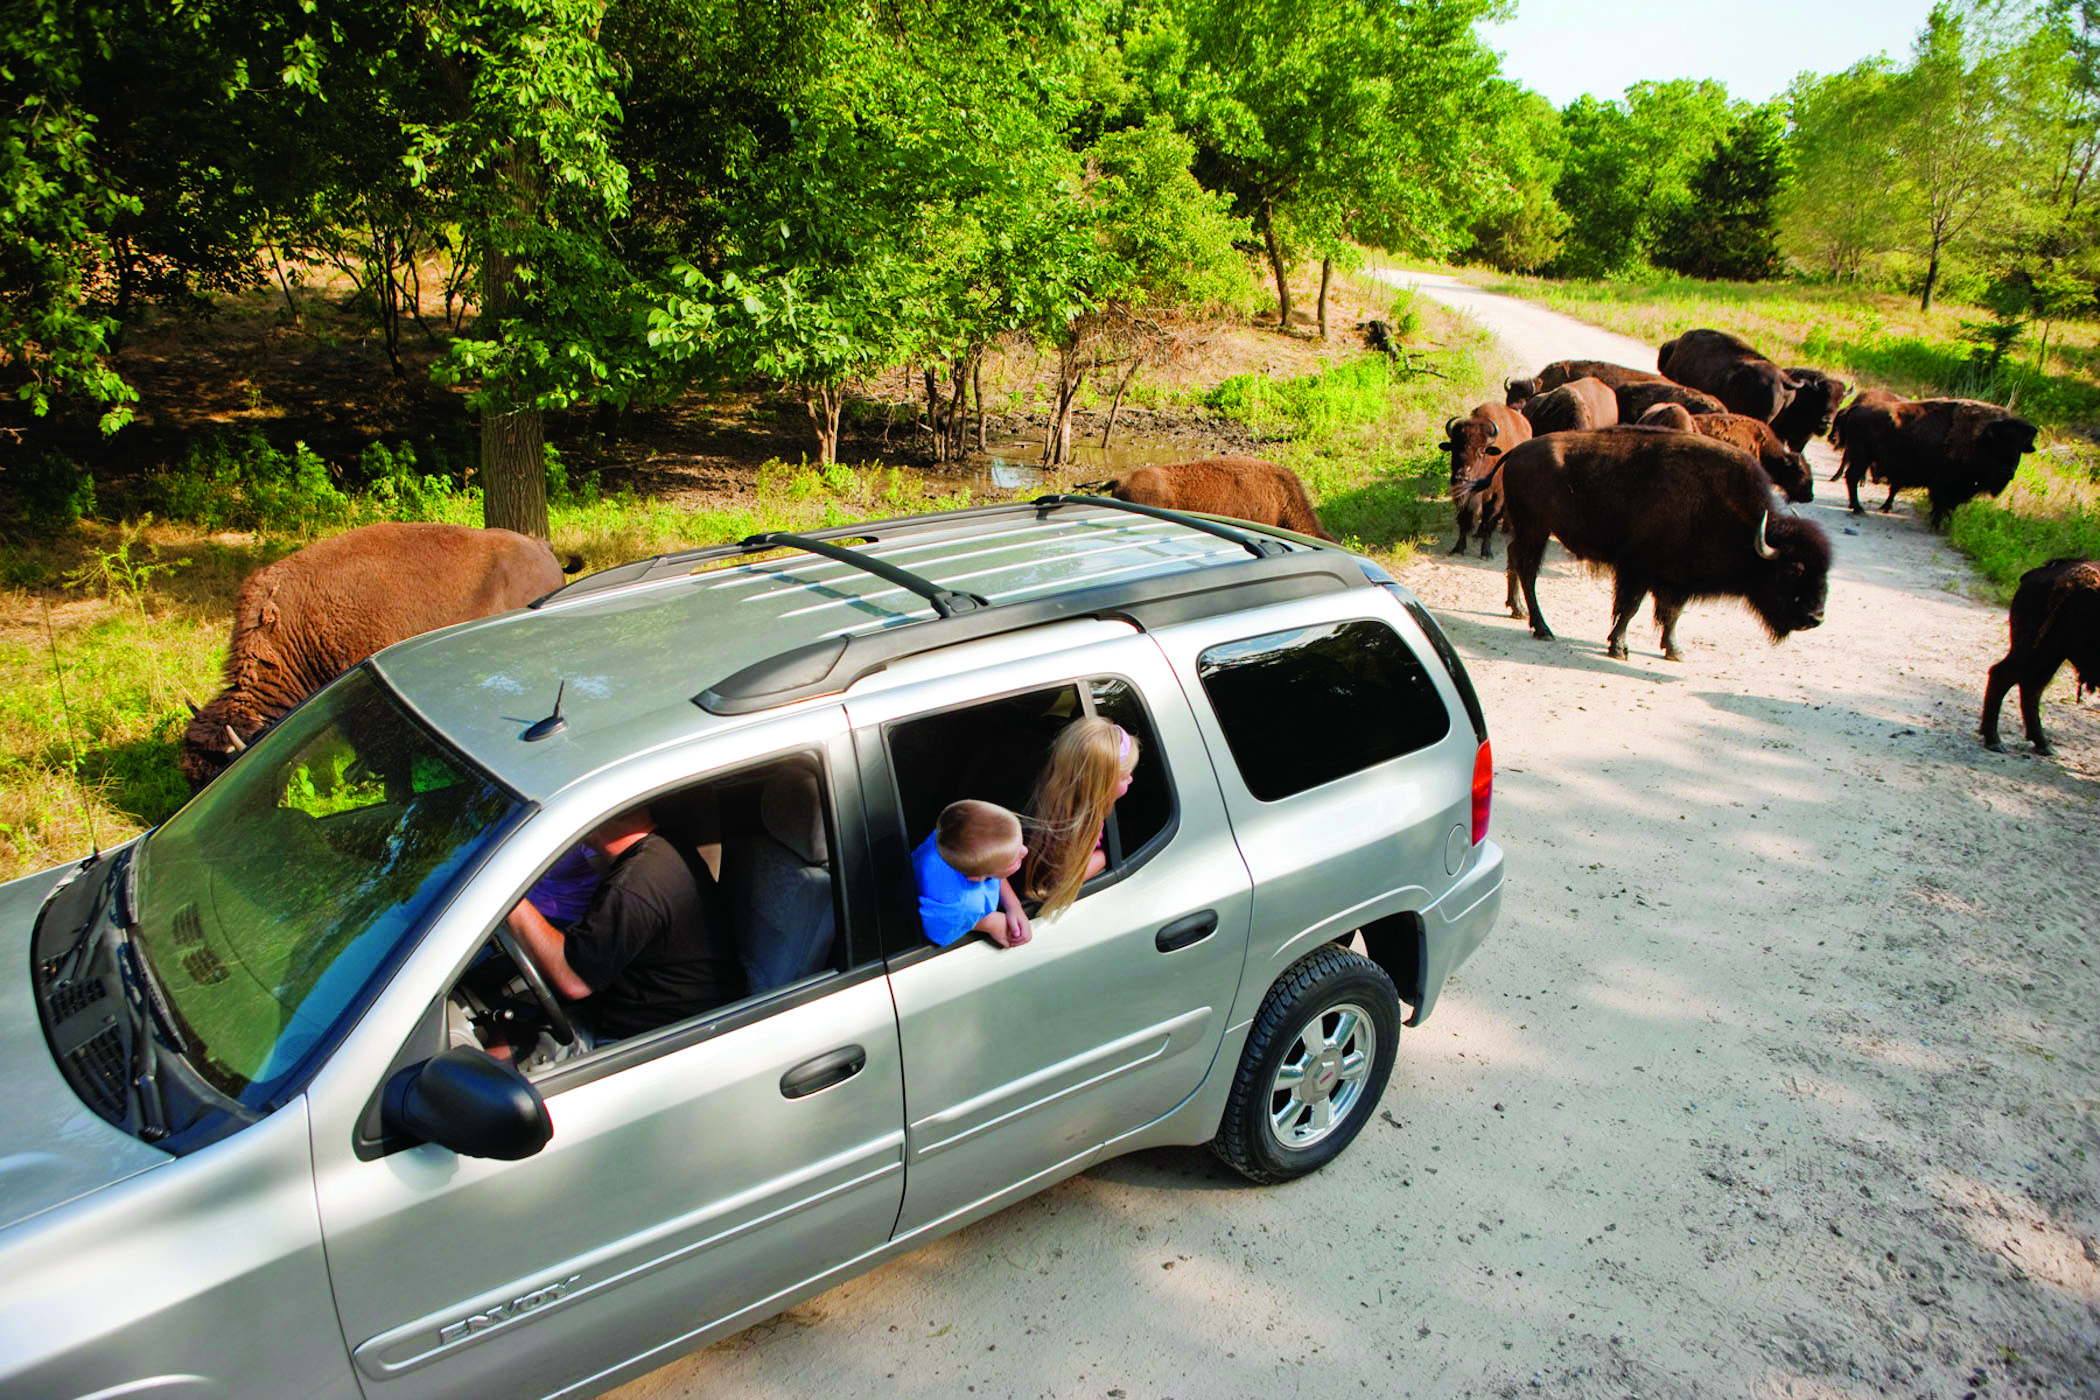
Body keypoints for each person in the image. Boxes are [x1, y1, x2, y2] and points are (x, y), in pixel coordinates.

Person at [502, 805, 744, 1043]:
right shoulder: (665, 845)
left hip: (653, 1040)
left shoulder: (635, 884)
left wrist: (508, 900)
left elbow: (573, 980)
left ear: (596, 818)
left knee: (503, 1042)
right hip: (653, 1014)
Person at [1022, 716, 1140, 918]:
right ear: (1100, 784)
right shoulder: (1078, 826)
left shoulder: (1046, 796)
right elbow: (1066, 879)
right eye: (1123, 776)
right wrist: (1108, 854)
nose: (1131, 778)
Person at [911, 799, 1032, 948]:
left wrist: (1014, 905)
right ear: (977, 878)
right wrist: (990, 923)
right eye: (1013, 860)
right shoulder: (964, 905)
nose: (1025, 851)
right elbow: (942, 924)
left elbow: (993, 873)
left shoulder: (950, 837)